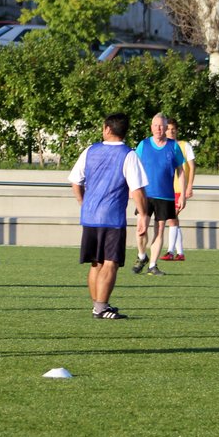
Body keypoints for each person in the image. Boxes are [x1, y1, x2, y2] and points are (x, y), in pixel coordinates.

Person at [69, 112, 148, 319]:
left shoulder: (90, 150)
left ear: (107, 128)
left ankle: (98, 306)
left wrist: (83, 203)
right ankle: (101, 308)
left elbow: (75, 181)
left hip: (90, 216)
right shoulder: (128, 155)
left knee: (96, 263)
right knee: (110, 262)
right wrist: (143, 214)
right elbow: (137, 189)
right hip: (112, 218)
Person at [131, 113, 186, 276]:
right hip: (145, 194)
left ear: (166, 128)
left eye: (161, 126)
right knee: (141, 229)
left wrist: (183, 195)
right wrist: (132, 188)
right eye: (155, 125)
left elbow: (181, 171)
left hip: (165, 195)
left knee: (160, 229)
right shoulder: (144, 145)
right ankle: (142, 256)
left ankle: (152, 265)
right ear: (151, 127)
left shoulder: (173, 146)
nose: (158, 129)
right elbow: (134, 167)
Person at [162, 117, 196, 262]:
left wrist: (189, 186)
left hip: (179, 190)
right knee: (174, 220)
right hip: (167, 189)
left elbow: (192, 167)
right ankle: (180, 253)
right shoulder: (164, 146)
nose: (171, 132)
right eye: (168, 129)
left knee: (171, 218)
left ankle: (170, 251)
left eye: (173, 129)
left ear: (176, 131)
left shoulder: (184, 145)